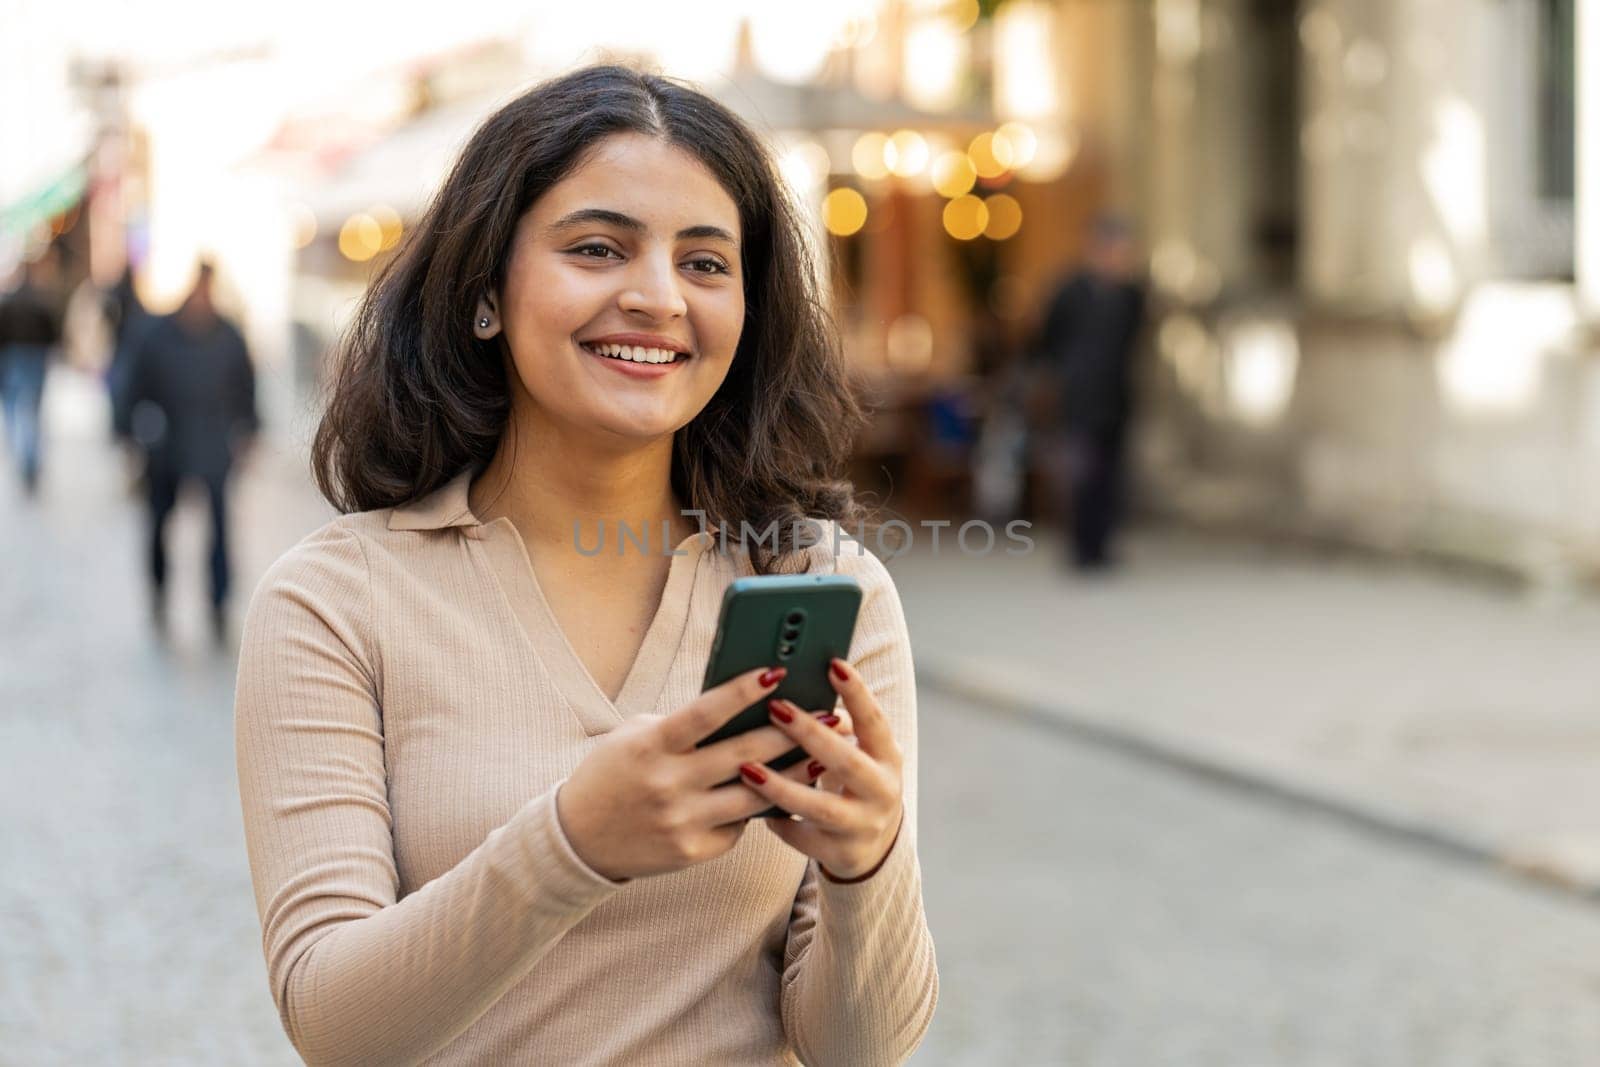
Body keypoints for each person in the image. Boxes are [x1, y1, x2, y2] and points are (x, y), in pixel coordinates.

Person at [234, 65, 938, 1066]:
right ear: (485, 292)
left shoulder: (824, 590)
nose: (656, 298)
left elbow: (856, 1049)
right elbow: (338, 1030)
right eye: (597, 248)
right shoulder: (334, 601)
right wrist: (573, 843)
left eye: (705, 263)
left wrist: (870, 863)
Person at [113, 260, 258, 641]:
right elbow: (132, 385)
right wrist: (129, 433)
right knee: (161, 522)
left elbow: (246, 388)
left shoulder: (228, 335)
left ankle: (218, 599)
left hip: (212, 443)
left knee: (219, 528)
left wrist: (248, 432)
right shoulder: (157, 335)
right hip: (168, 446)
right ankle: (159, 588)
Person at [1029, 215, 1147, 571]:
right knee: (1082, 472)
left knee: (1111, 473)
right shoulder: (1070, 291)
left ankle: (1103, 543)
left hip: (1116, 397)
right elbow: (1047, 340)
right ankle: (1081, 546)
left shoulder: (1131, 295)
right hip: (1079, 398)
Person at [0, 247, 66, 495]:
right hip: (33, 359)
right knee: (32, 414)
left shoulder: (11, 301)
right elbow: (52, 331)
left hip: (16, 358)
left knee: (18, 412)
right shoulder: (40, 299)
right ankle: (29, 458)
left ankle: (25, 457)